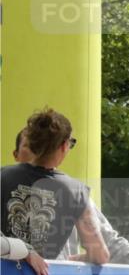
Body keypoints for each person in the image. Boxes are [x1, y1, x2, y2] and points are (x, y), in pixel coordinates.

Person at [13, 128, 129, 275]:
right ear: (16, 154)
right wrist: (22, 251)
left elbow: (109, 244)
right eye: (32, 146)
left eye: (43, 146)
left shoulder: (73, 194)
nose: (39, 152)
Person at [2, 109, 109, 264]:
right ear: (64, 146)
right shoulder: (76, 191)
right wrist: (68, 259)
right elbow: (100, 255)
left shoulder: (3, 176)